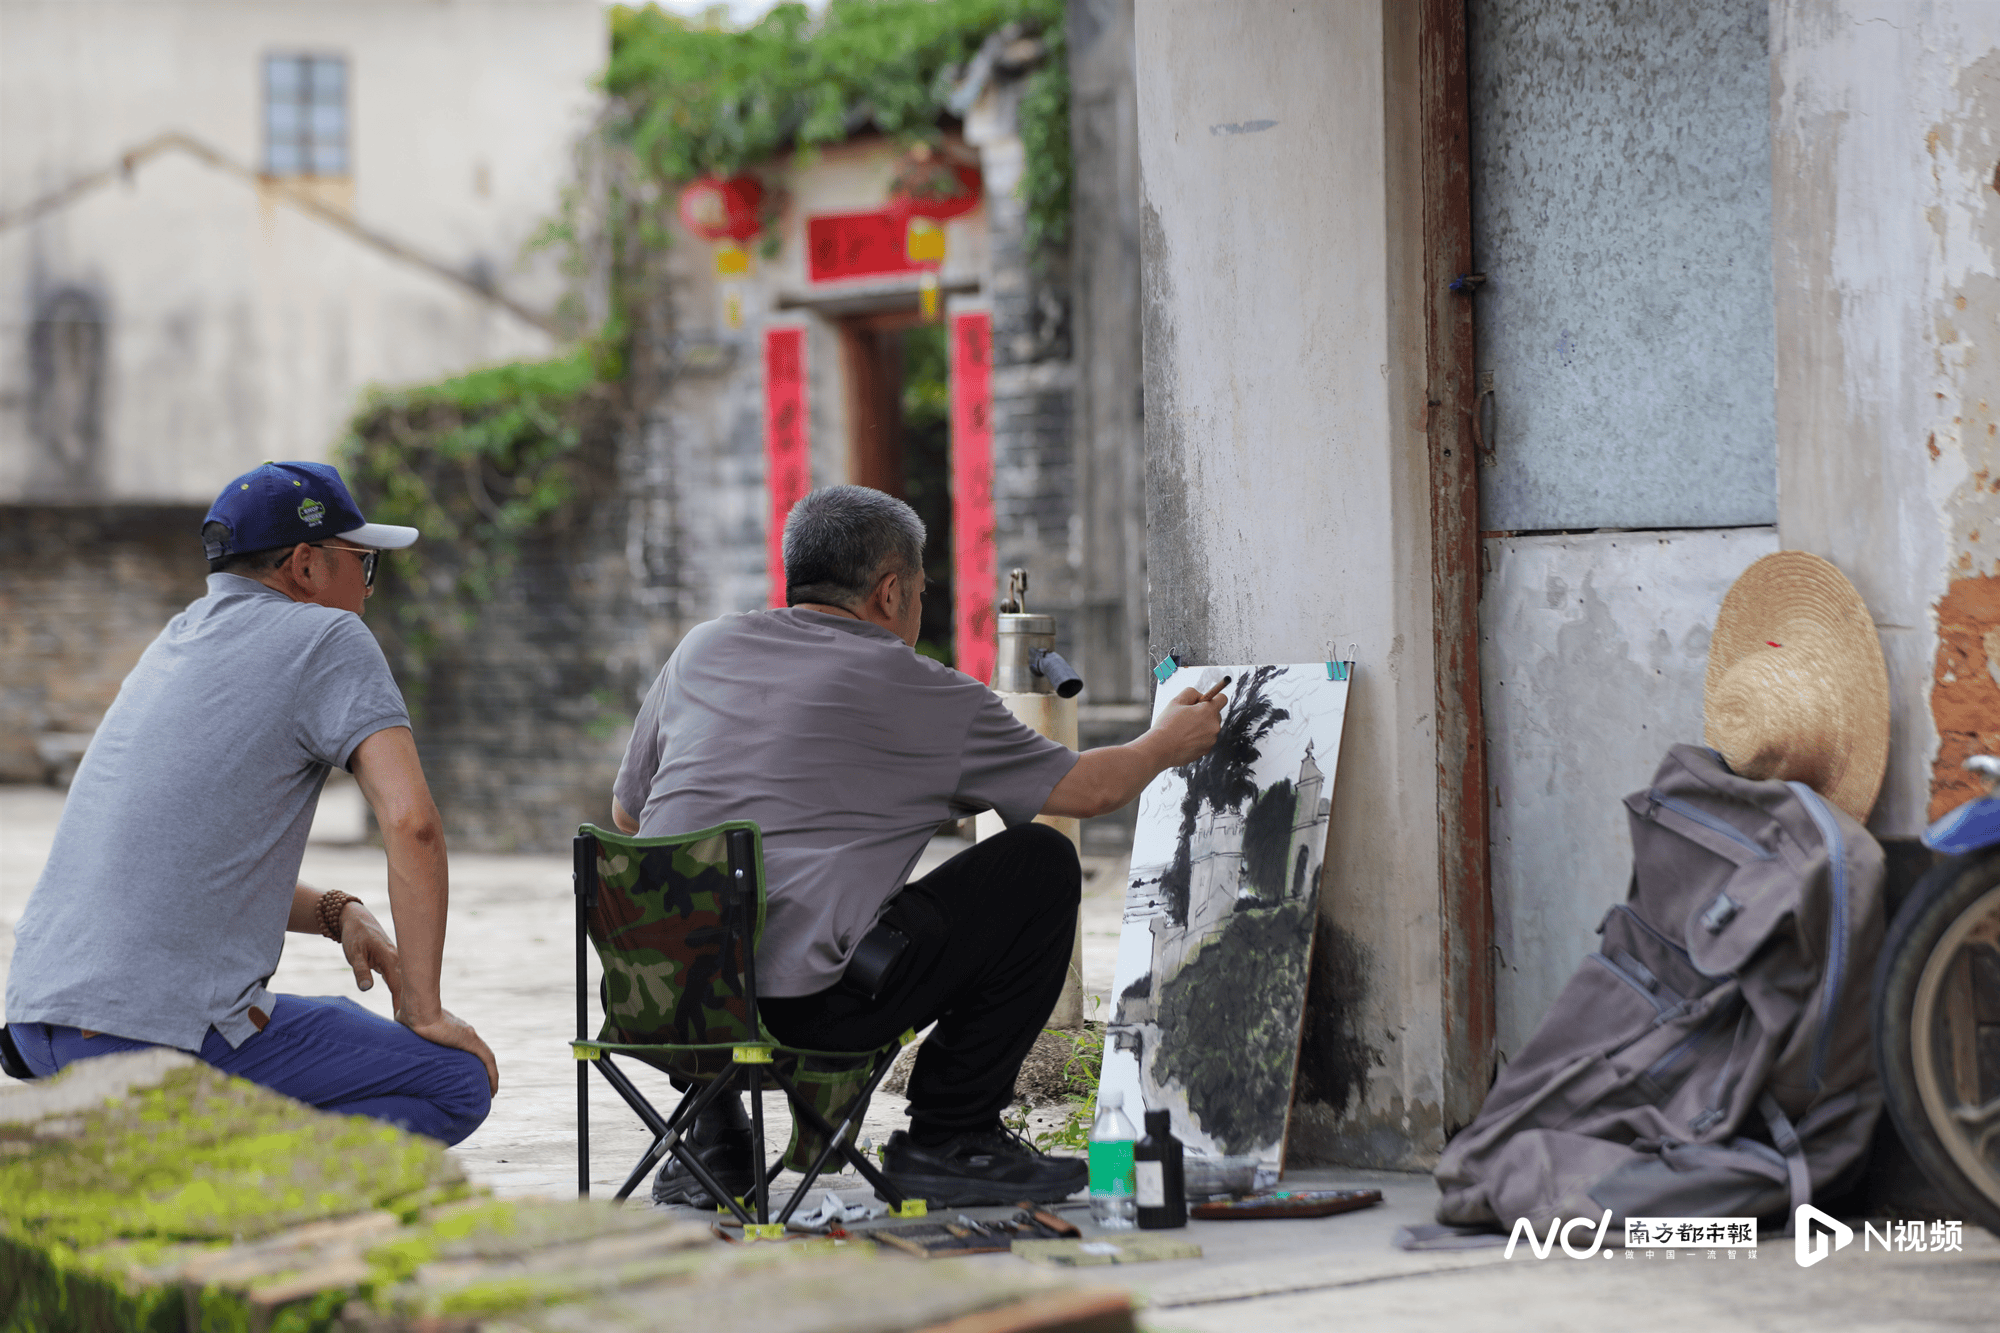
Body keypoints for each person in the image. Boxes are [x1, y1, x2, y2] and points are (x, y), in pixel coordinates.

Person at [611, 485, 1223, 1206]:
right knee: (1038, 863)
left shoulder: (702, 647)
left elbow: (629, 819)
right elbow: (1087, 792)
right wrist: (1165, 743)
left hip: (658, 994)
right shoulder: (922, 692)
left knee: (707, 915)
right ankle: (951, 1136)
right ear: (891, 591)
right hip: (807, 1013)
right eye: (922, 590)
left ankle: (713, 1132)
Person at [1, 461, 498, 1146]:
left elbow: (192, 858)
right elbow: (413, 825)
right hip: (145, 1036)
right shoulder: (329, 636)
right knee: (452, 1080)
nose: (369, 587)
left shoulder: (175, 642)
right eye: (365, 563)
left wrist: (337, 911)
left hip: (38, 1026)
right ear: (305, 565)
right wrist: (425, 1007)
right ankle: (223, 1189)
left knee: (314, 1029)